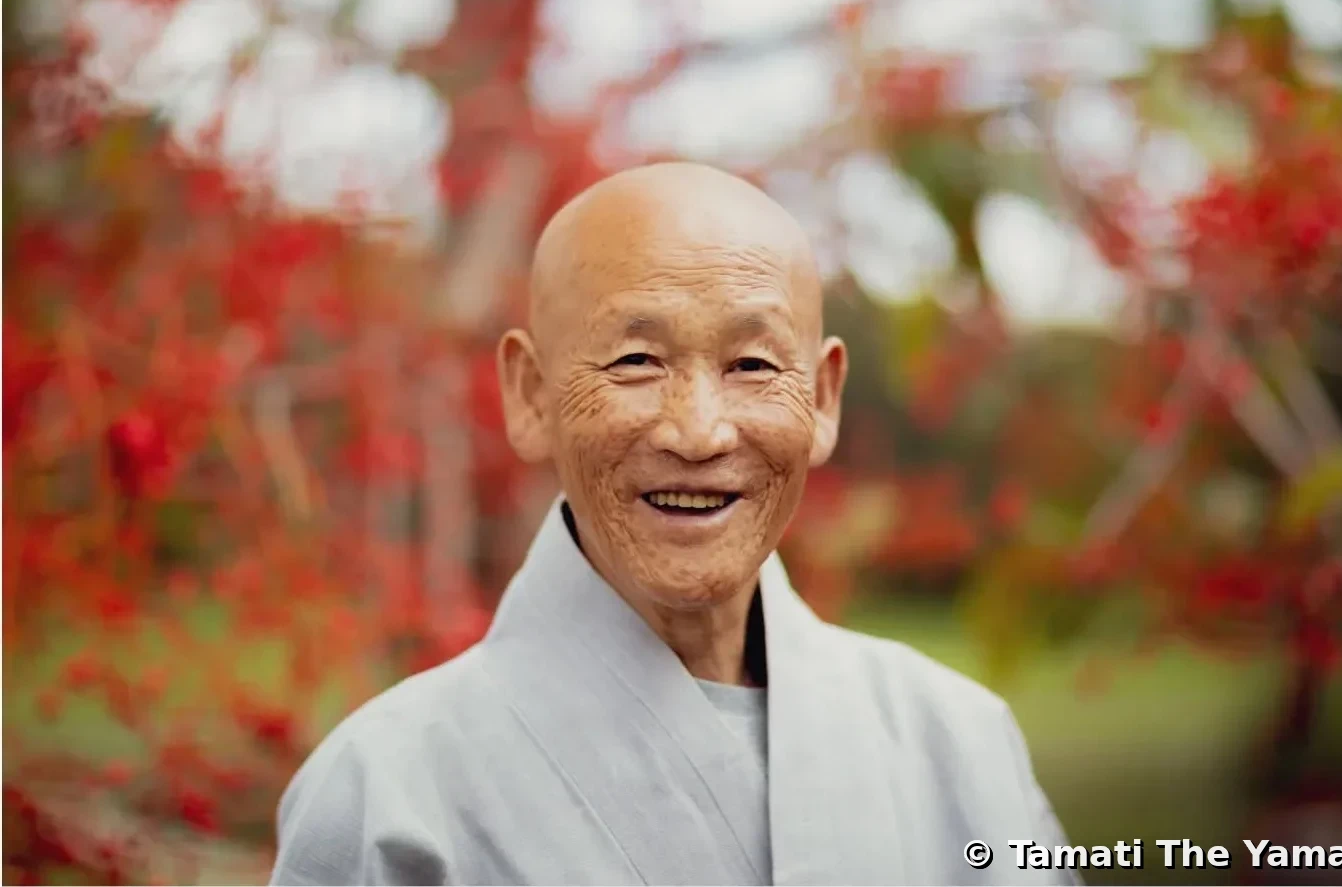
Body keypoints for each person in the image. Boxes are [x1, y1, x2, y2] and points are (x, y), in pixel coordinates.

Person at [270, 163, 1078, 886]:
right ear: (529, 393)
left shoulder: (961, 742)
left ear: (824, 397)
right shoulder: (387, 792)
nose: (699, 431)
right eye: (635, 362)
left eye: (753, 365)